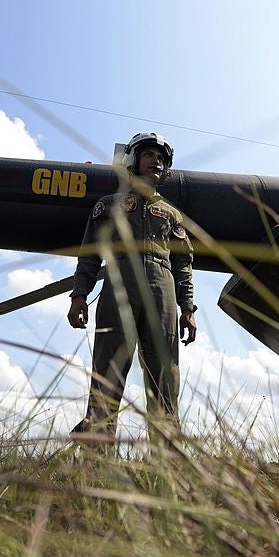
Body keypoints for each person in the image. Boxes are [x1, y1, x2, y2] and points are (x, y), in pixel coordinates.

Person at [67, 132, 197, 442]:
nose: (156, 160)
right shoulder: (108, 205)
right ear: (133, 161)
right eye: (149, 154)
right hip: (119, 287)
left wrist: (188, 308)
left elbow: (183, 264)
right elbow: (89, 256)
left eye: (160, 158)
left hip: (162, 291)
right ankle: (96, 458)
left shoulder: (171, 214)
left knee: (165, 377)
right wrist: (79, 295)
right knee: (107, 373)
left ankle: (167, 462)